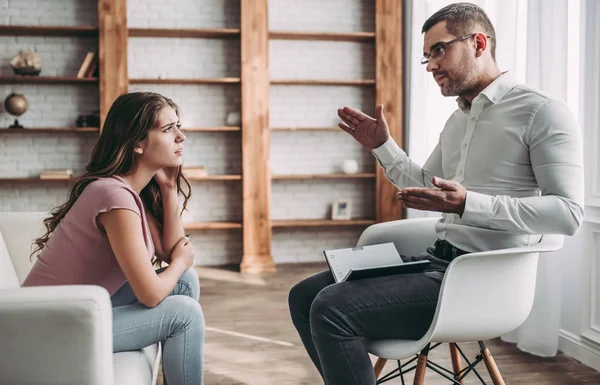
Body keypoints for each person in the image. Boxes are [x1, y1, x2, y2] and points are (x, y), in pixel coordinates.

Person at [288, 3, 584, 385]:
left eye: (439, 50)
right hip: (437, 262)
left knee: (331, 307)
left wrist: (467, 204)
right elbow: (429, 185)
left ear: (478, 42)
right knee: (305, 294)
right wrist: (383, 145)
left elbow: (568, 213)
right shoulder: (459, 118)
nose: (430, 66)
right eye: (426, 56)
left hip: (482, 280)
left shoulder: (541, 111)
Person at [22, 92, 205, 385]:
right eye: (168, 129)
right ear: (138, 144)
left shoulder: (127, 192)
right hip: (46, 327)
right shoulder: (115, 197)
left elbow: (171, 251)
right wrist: (181, 261)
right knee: (184, 315)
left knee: (186, 280)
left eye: (178, 126)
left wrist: (169, 188)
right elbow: (151, 292)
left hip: (71, 312)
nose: (181, 136)